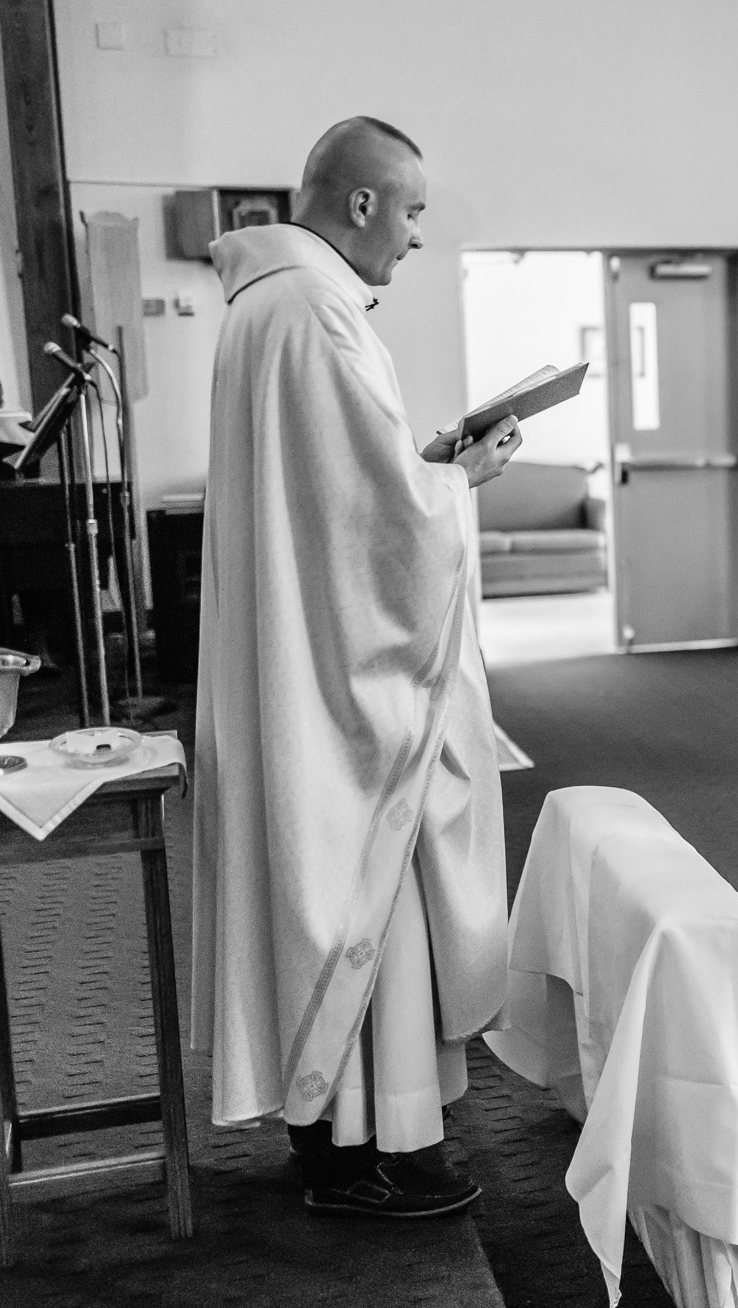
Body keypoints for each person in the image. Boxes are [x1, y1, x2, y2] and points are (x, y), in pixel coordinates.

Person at [191, 117, 523, 1218]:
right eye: (415, 211)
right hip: (344, 687)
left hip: (299, 656)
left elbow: (341, 492)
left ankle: (330, 1136)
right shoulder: (319, 313)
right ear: (365, 204)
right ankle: (392, 1145)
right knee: (376, 901)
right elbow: (381, 523)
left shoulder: (263, 306)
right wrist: (459, 480)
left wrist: (421, 465)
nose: (419, 237)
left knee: (318, 893)